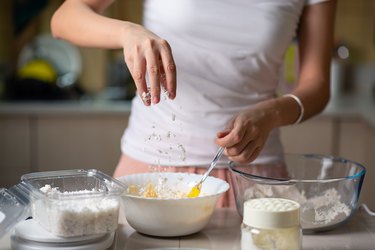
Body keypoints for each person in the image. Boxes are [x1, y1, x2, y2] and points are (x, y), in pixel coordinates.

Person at [51, 0, 336, 207]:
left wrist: (271, 114)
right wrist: (127, 32)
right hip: (152, 172)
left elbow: (318, 86)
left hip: (254, 179)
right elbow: (64, 18)